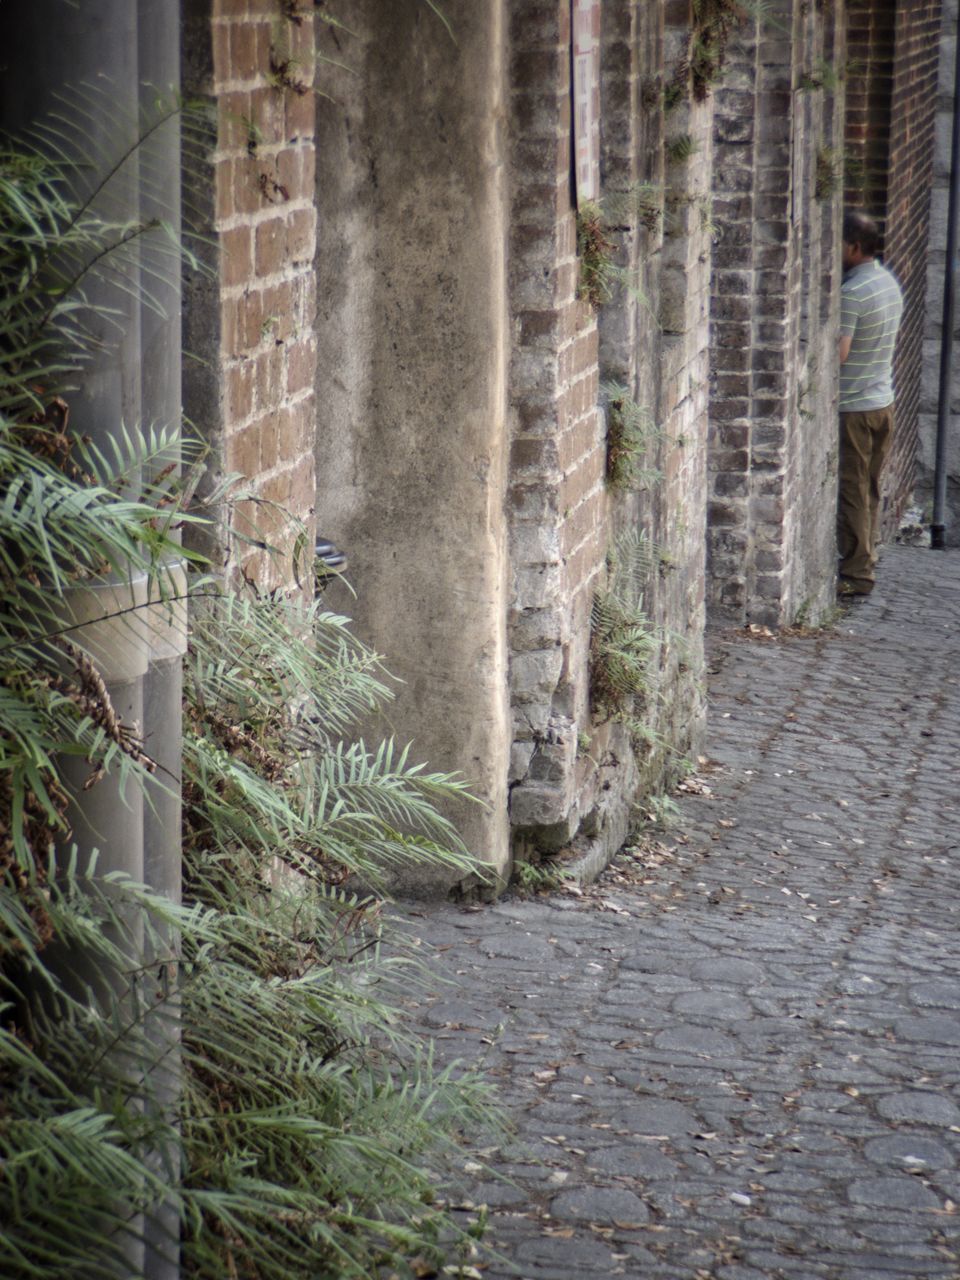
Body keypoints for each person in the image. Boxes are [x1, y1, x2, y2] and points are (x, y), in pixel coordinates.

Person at [836, 209, 904, 597]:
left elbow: (839, 354)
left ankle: (857, 574)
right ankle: (867, 557)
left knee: (852, 491)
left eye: (840, 244)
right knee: (869, 490)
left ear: (855, 247)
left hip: (855, 408)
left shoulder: (852, 292)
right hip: (884, 401)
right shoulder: (886, 282)